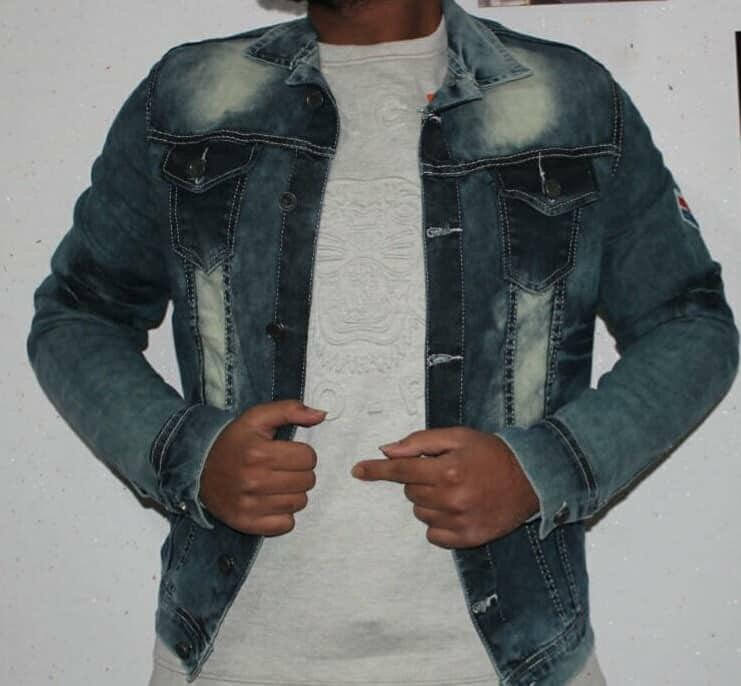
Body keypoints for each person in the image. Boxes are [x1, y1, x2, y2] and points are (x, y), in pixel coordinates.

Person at [26, 0, 738, 684]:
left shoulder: (568, 98)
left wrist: (543, 470)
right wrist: (190, 456)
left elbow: (690, 324)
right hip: (233, 656)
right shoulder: (190, 96)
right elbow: (77, 315)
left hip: (512, 659)